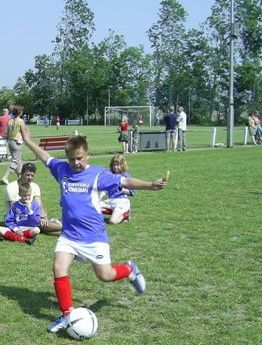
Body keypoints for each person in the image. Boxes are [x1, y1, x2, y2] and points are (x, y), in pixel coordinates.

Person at [22, 125, 167, 333]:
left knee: (105, 275)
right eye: (72, 159)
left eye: (80, 158)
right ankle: (66, 316)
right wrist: (27, 141)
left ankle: (129, 269)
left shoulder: (98, 174)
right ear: (67, 157)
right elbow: (45, 157)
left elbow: (125, 180)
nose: (76, 163)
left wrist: (151, 185)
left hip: (93, 236)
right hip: (70, 235)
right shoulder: (61, 169)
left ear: (87, 155)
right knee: (59, 267)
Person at [4, 162, 62, 236]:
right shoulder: (11, 187)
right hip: (16, 219)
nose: (30, 177)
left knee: (43, 224)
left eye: (32, 175)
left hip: (30, 215)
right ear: (21, 174)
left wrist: (43, 217)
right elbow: (16, 209)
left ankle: (67, 232)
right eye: (27, 175)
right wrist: (34, 217)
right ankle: (67, 228)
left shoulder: (34, 186)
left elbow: (39, 205)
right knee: (41, 225)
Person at [100, 154, 134, 224]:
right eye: (114, 165)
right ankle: (114, 212)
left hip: (121, 201)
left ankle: (126, 214)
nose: (115, 167)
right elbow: (105, 190)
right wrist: (98, 198)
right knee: (93, 206)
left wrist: (121, 188)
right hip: (110, 201)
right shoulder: (110, 176)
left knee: (113, 222)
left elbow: (131, 192)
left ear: (122, 165)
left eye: (118, 165)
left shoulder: (127, 176)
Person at [0, 104, 26, 185]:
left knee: (18, 160)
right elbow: (24, 133)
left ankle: (20, 177)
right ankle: (5, 177)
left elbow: (6, 132)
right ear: (20, 112)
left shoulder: (10, 120)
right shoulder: (21, 121)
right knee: (15, 161)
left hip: (10, 142)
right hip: (17, 142)